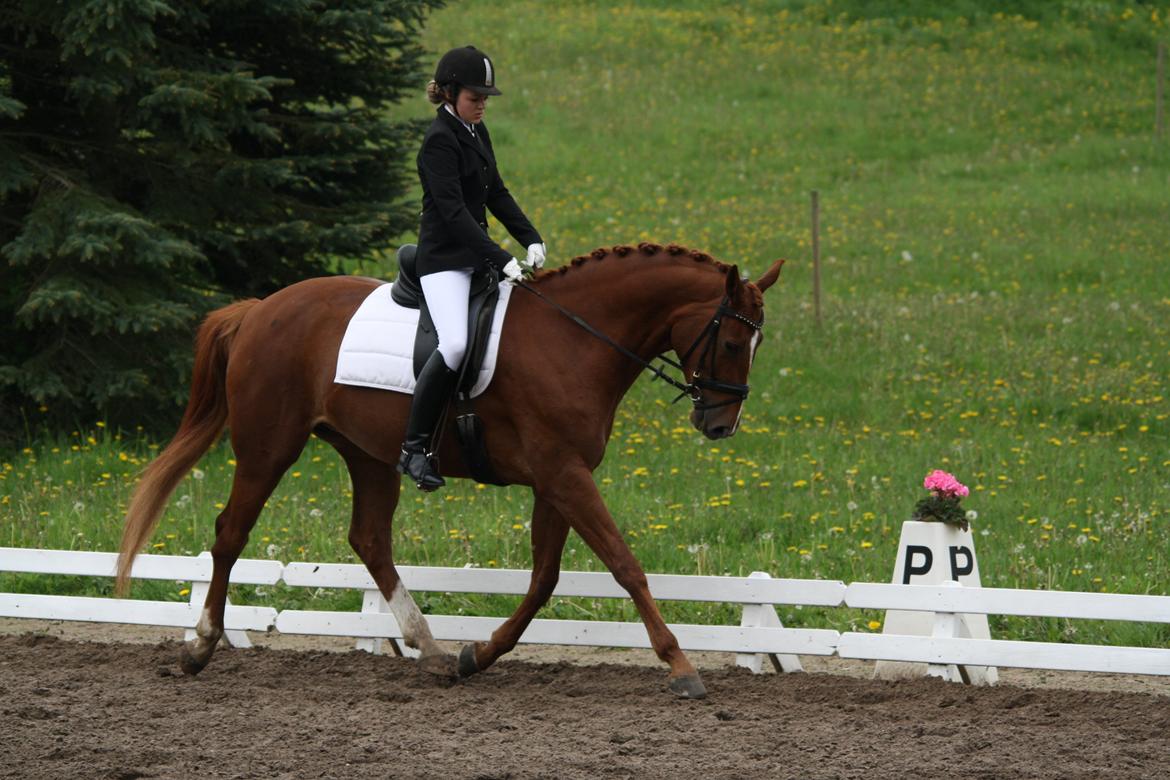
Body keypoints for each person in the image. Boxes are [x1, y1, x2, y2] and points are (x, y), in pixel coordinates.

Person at [398, 45, 546, 492]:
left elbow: (495, 192)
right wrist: (501, 258)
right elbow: (453, 214)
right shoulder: (439, 141)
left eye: (485, 98)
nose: (482, 104)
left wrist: (531, 237)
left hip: (475, 259)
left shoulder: (476, 130)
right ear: (448, 93)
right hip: (443, 262)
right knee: (456, 344)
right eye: (474, 97)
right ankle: (414, 448)